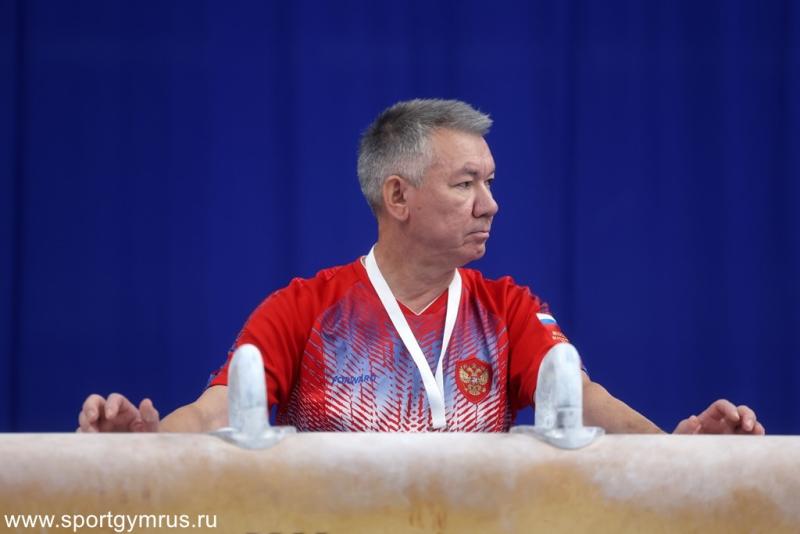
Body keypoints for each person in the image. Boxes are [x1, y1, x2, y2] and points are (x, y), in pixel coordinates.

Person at [77, 99, 764, 435]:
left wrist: (676, 448)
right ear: (398, 197)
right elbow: (213, 412)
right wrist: (147, 443)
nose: (490, 204)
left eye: (489, 182)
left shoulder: (508, 310)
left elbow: (589, 404)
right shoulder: (305, 310)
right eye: (466, 184)